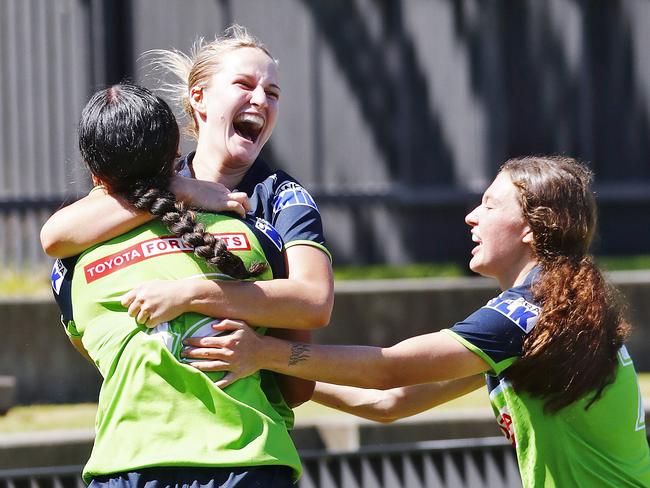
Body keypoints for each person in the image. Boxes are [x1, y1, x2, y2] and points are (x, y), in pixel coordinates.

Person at [182, 156, 650, 487]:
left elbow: (391, 369)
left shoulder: (525, 316)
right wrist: (266, 367)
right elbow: (391, 403)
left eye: (489, 204)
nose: (471, 216)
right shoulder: (552, 316)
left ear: (530, 226)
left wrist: (267, 353)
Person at [41, 24, 333, 410]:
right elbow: (56, 236)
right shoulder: (156, 178)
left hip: (247, 432)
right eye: (244, 85)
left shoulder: (283, 198)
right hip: (149, 427)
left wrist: (190, 297)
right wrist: (179, 190)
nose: (261, 100)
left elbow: (314, 302)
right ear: (200, 98)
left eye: (273, 93)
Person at [59, 82, 302, 486]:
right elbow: (297, 382)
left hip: (129, 464)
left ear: (95, 174)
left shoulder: (71, 265)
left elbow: (95, 351)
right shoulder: (254, 233)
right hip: (249, 461)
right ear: (176, 160)